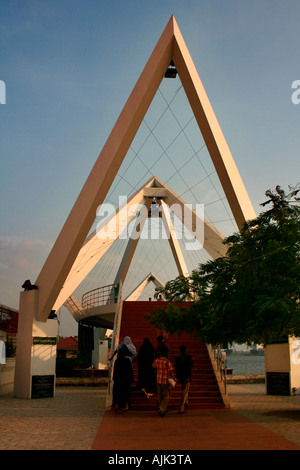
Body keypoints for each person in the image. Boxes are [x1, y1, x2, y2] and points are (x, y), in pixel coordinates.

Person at [152, 346, 176, 417]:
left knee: (159, 396)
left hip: (159, 380)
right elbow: (170, 371)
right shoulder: (167, 362)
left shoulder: (157, 361)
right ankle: (162, 408)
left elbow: (153, 367)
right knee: (167, 396)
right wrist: (174, 378)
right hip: (165, 381)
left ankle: (161, 410)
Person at [112, 347, 134, 412]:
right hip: (125, 380)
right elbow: (130, 370)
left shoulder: (117, 361)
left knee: (117, 393)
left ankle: (116, 405)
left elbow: (115, 371)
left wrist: (114, 378)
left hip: (118, 380)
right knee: (125, 394)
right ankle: (126, 406)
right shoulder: (127, 361)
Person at [175, 345, 193, 414]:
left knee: (184, 389)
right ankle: (181, 407)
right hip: (186, 376)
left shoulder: (177, 358)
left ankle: (186, 401)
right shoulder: (188, 358)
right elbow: (190, 368)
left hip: (180, 376)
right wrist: (190, 376)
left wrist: (177, 376)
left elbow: (176, 367)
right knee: (185, 391)